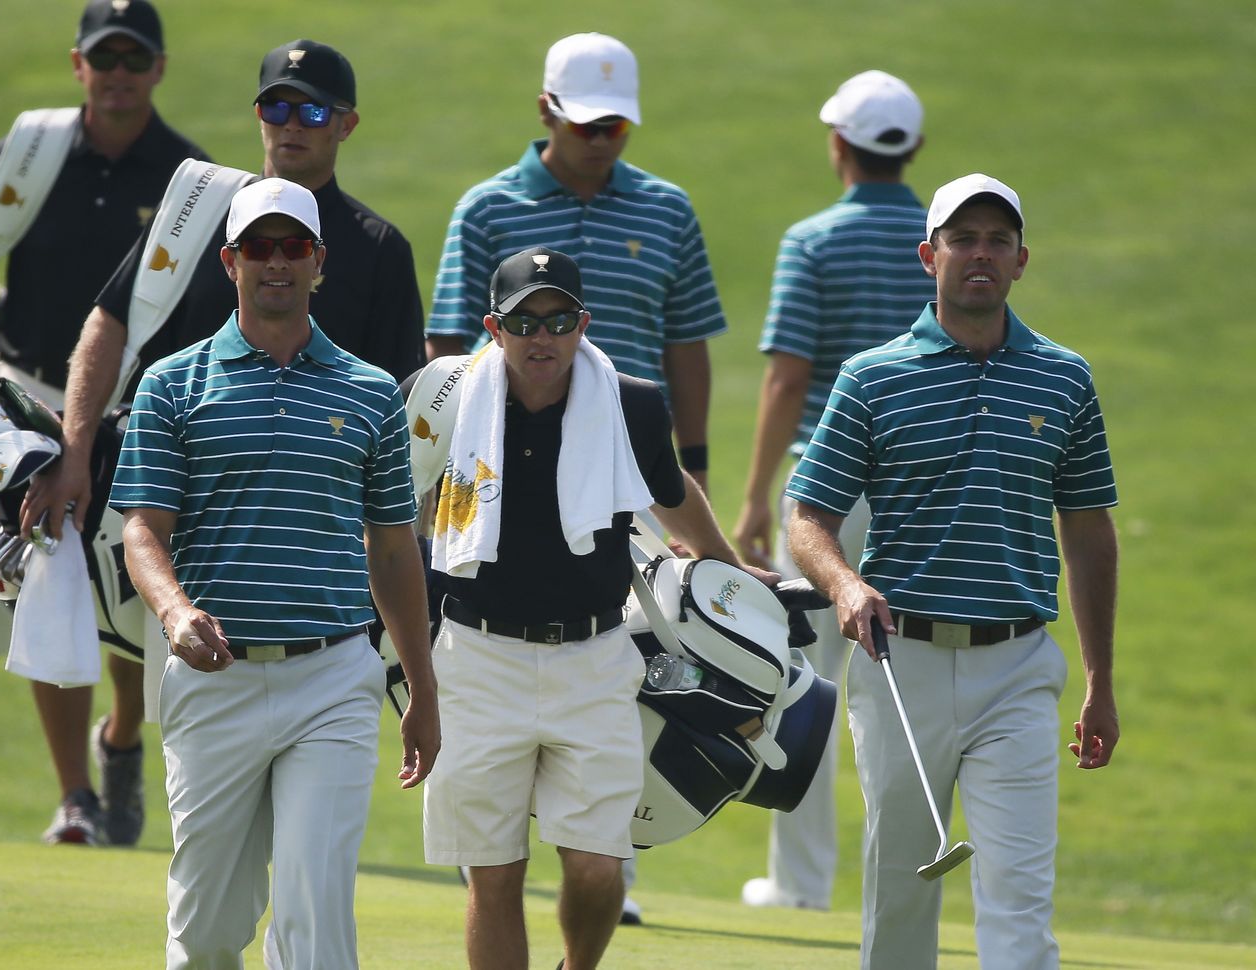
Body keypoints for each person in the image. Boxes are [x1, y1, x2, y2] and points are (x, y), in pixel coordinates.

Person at [19, 37, 426, 848]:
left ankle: (128, 742)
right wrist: (72, 448)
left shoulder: (377, 250)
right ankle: (109, 757)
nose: (291, 125)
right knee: (126, 632)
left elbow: (401, 408)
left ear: (345, 125)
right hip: (166, 490)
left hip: (304, 537)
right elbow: (112, 319)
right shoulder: (202, 209)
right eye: (277, 105)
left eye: (311, 110)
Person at [785, 173, 1119, 969]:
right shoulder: (873, 377)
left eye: (998, 241)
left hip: (1019, 666)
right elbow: (808, 518)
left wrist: (1101, 680)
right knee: (901, 892)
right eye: (963, 239)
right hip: (905, 667)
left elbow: (1089, 529)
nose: (981, 254)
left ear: (1021, 260)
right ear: (928, 255)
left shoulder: (1064, 377)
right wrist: (845, 583)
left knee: (1020, 897)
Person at [109, 177, 439, 969]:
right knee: (208, 932)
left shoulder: (369, 395)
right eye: (260, 247)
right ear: (230, 261)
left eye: (295, 246)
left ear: (319, 260)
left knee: (314, 913)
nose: (278, 262)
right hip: (212, 678)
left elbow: (394, 549)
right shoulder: (173, 383)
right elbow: (142, 531)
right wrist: (174, 612)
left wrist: (423, 690)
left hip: (331, 679)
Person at [422, 246, 775, 970]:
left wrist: (732, 570)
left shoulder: (633, 403)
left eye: (558, 320)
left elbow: (671, 492)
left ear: (583, 323)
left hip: (595, 658)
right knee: (493, 875)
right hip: (477, 657)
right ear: (494, 326)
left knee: (597, 866)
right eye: (525, 321)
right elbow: (394, 518)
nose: (542, 337)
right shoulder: (446, 398)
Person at [0, 0, 208, 846]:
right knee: (51, 582)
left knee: (126, 596)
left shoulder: (189, 179)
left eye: (133, 58)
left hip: (134, 413)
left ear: (158, 68)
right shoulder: (26, 156)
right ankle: (76, 795)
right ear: (78, 65)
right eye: (102, 57)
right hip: (25, 404)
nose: (118, 73)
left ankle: (121, 735)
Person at [733, 70, 935, 911]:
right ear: (912, 149)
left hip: (825, 488)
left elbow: (787, 379)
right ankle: (901, 881)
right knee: (905, 689)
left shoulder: (812, 239)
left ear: (839, 145)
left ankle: (802, 885)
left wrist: (751, 501)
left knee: (806, 688)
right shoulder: (945, 238)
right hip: (918, 494)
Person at [425, 32, 725, 495]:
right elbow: (448, 343)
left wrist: (695, 472)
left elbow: (685, 347)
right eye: (587, 127)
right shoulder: (486, 209)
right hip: (502, 457)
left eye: (616, 126)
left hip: (633, 458)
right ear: (547, 110)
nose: (601, 141)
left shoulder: (669, 210)